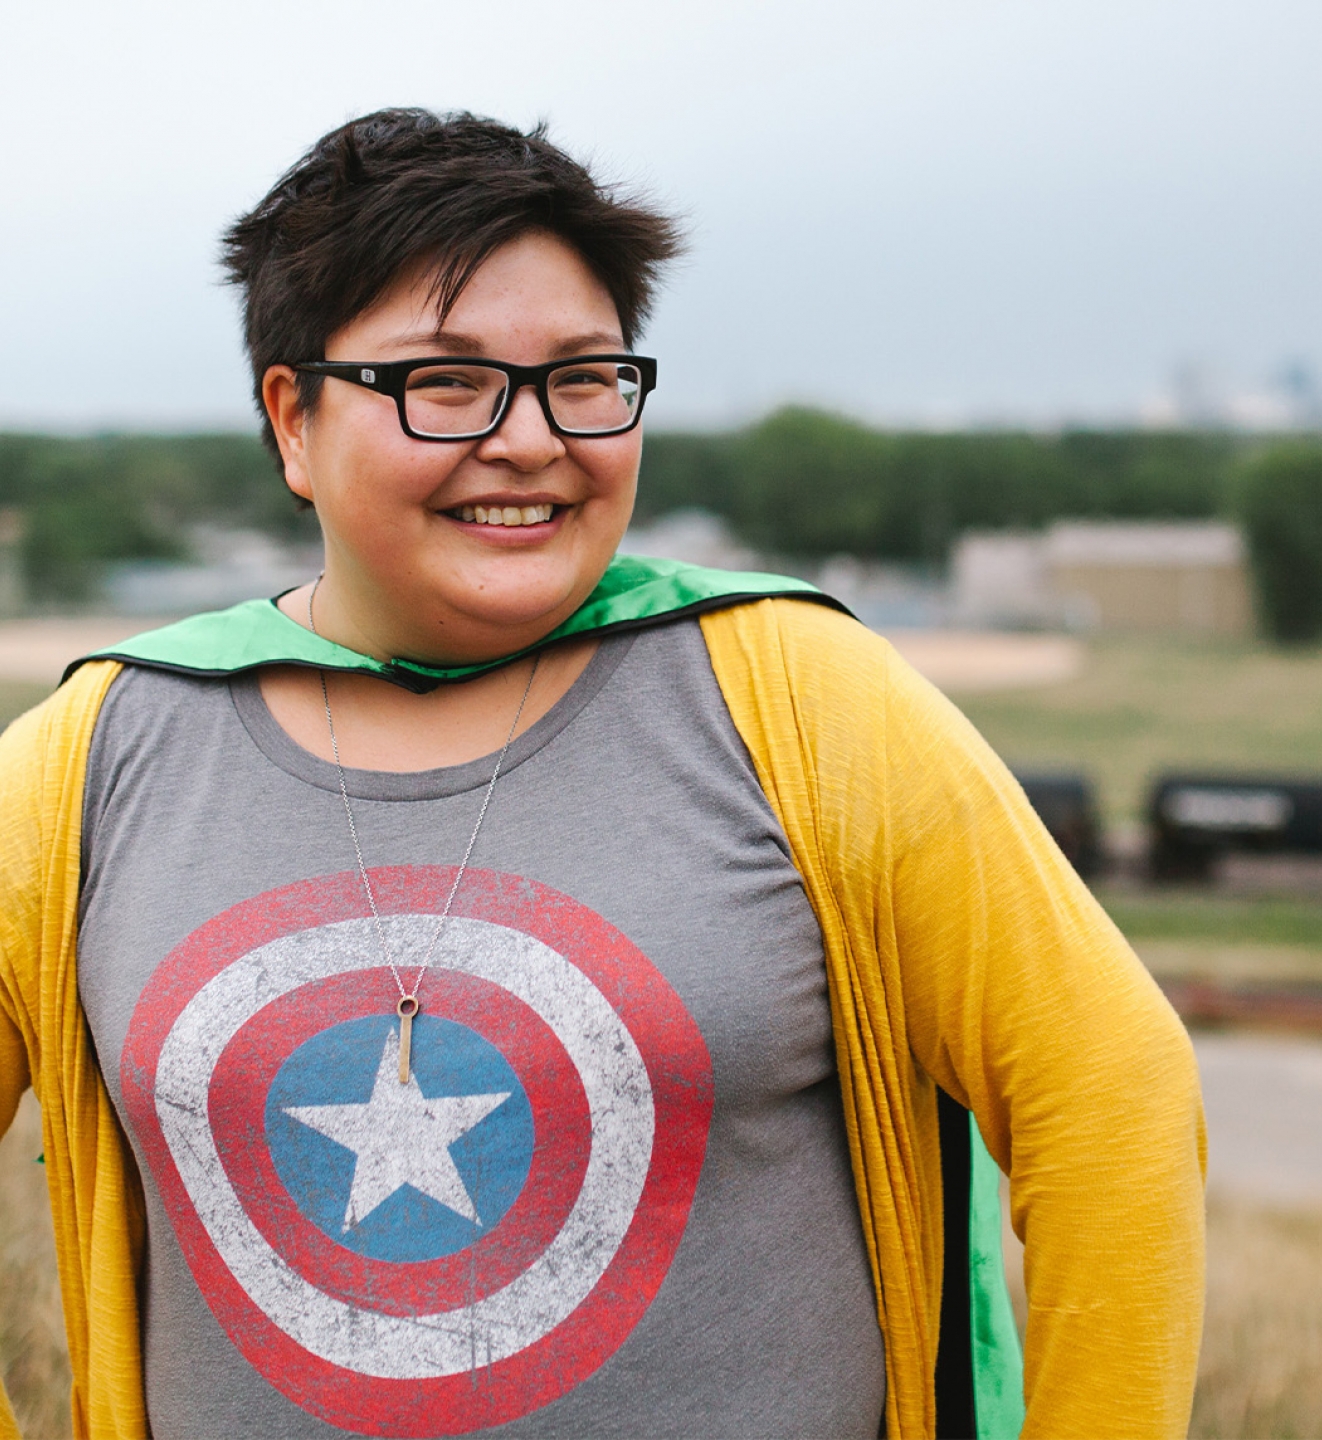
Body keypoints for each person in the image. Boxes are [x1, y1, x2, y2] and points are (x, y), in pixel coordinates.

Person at [0, 109, 1205, 1440]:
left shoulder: (805, 703)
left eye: (582, 377)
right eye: (444, 383)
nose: (529, 441)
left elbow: (1113, 1098)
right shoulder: (90, 759)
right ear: (293, 418)